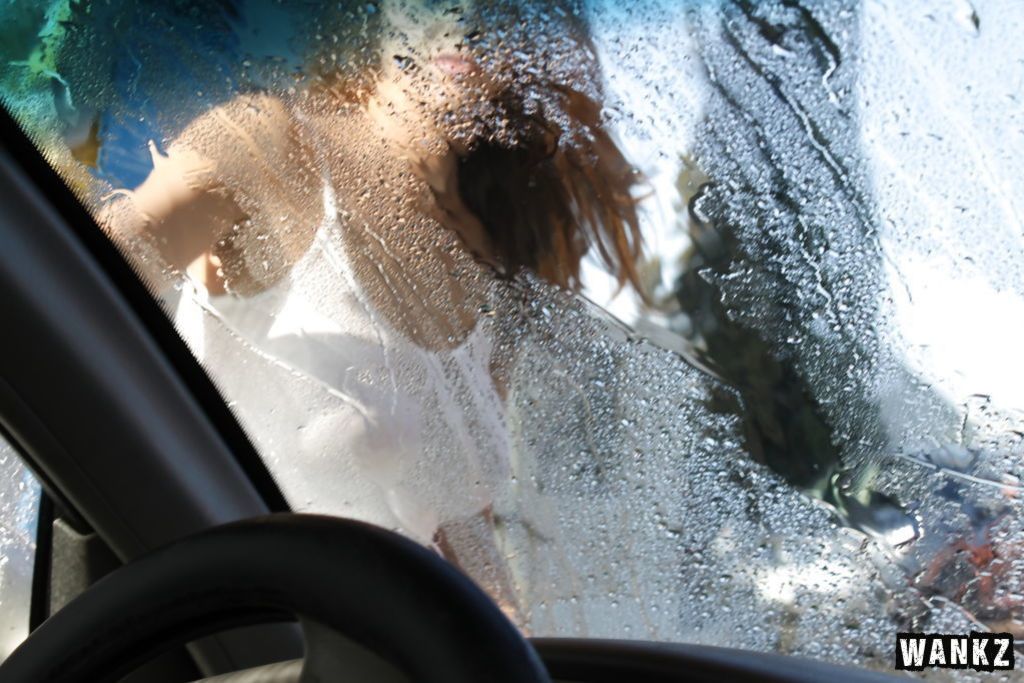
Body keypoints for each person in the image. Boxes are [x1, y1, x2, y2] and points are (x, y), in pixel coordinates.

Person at [93, 0, 645, 619]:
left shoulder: (497, 253)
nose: (463, 15)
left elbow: (455, 529)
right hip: (222, 636)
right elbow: (63, 297)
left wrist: (508, 646)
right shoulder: (267, 144)